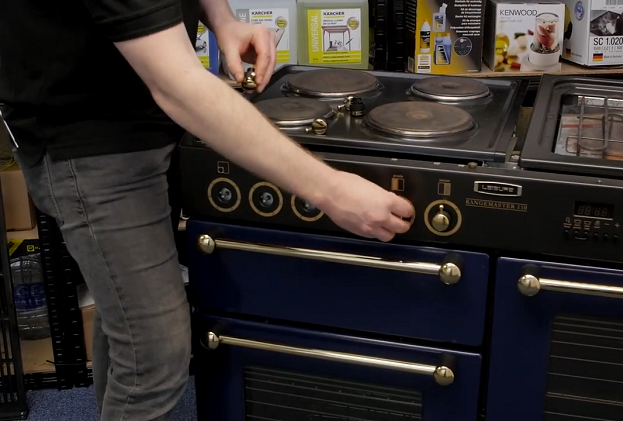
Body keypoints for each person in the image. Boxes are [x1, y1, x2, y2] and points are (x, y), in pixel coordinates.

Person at [0, 0, 415, 419]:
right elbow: (178, 86)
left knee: (126, 323)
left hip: (142, 122)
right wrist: (331, 190)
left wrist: (222, 19)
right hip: (91, 147)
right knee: (155, 356)